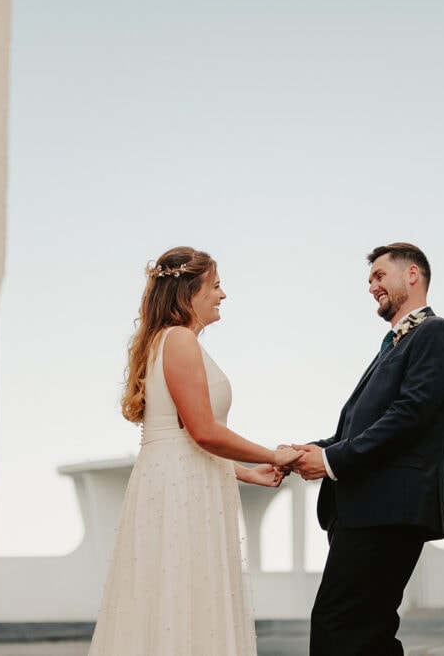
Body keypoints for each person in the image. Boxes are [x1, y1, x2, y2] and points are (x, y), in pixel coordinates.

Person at [88, 246, 301, 656]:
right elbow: (203, 431)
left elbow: (185, 438)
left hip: (178, 477)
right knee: (184, 595)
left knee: (178, 598)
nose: (223, 295)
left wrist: (245, 473)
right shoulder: (180, 340)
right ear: (189, 291)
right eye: (216, 285)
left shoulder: (163, 341)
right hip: (180, 490)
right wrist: (270, 456)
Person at [289, 242, 444, 656]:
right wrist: (305, 452)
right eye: (370, 279)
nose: (371, 286)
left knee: (340, 626)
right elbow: (359, 427)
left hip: (389, 510)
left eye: (379, 276)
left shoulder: (435, 333)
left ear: (412, 275)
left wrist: (331, 461)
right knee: (364, 633)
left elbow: (410, 416)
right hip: (367, 510)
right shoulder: (393, 345)